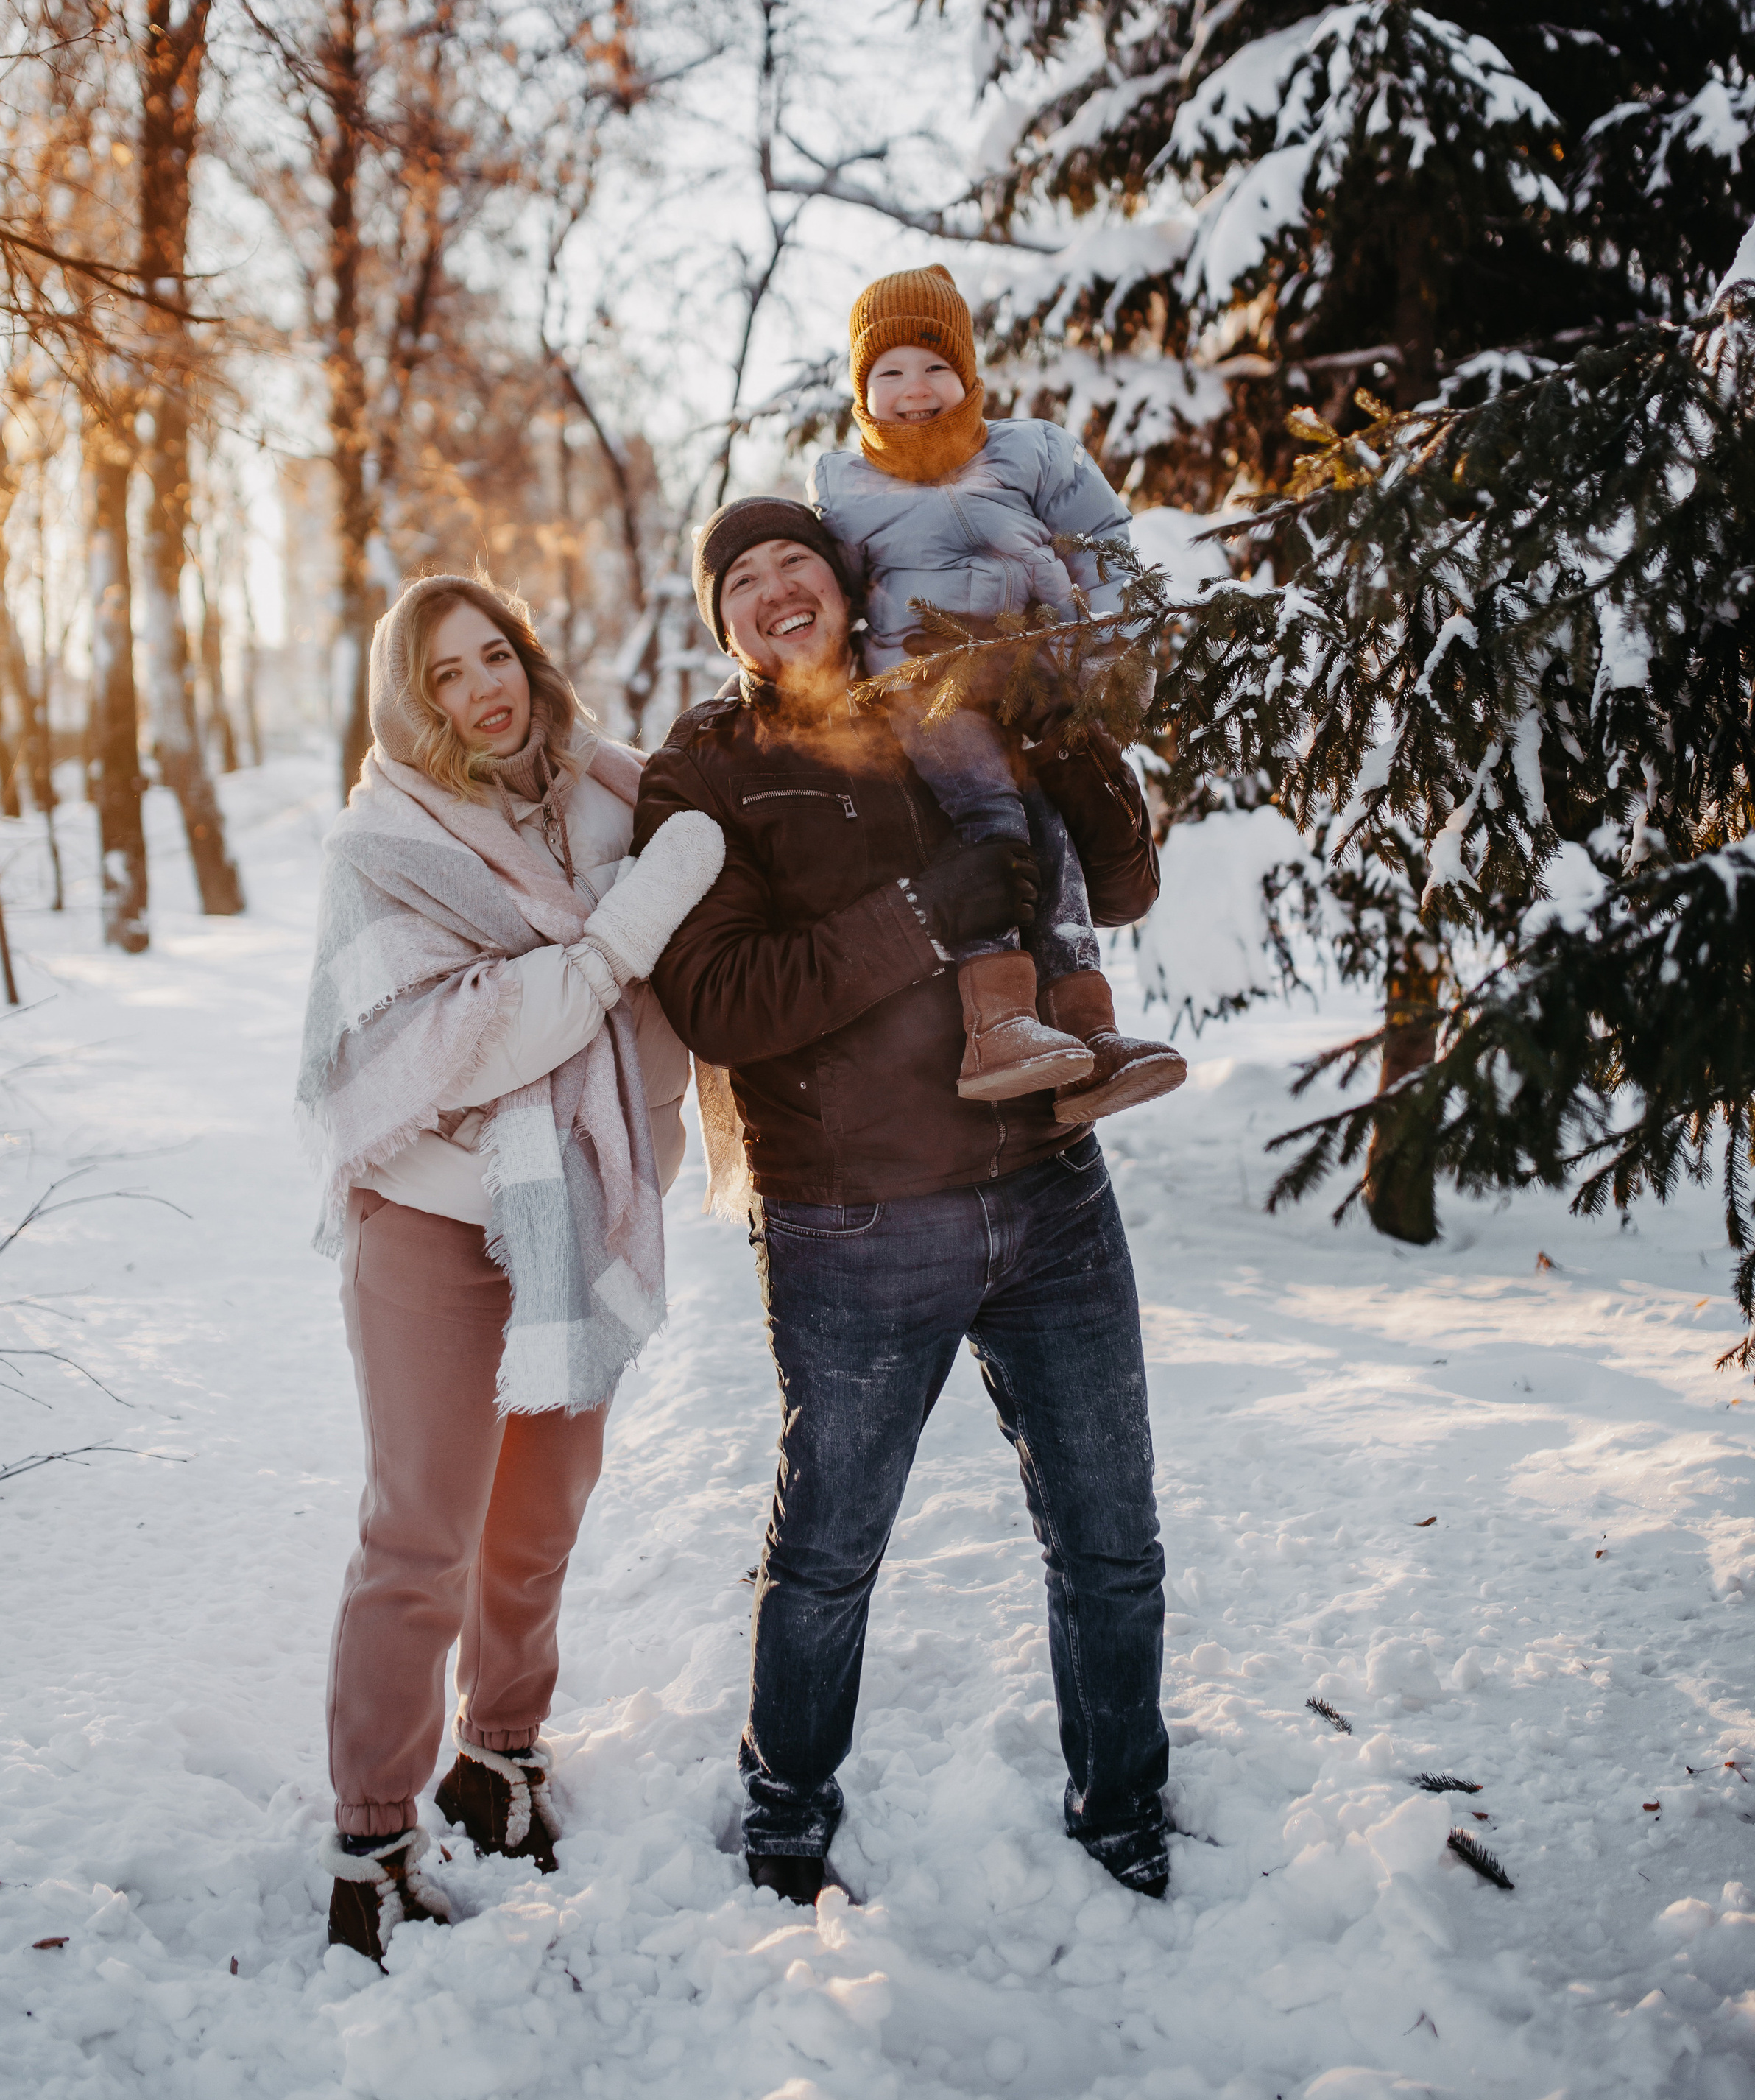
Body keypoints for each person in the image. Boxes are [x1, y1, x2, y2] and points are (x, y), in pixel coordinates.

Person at [633, 501, 1174, 1907]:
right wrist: (925, 916)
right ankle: (786, 1805)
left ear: (843, 578)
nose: (774, 589)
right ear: (722, 620)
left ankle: (1126, 1797)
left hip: (1051, 1188)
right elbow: (719, 998)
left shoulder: (947, 698)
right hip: (857, 1224)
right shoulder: (706, 769)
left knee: (1112, 1539)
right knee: (828, 1551)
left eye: (794, 561)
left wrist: (1062, 727)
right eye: (741, 578)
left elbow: (1121, 882)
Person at [296, 571, 723, 1962]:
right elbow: (465, 1038)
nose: (482, 688)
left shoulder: (610, 798)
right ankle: (371, 1844)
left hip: (576, 1206)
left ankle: (500, 1756)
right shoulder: (385, 847)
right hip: (430, 1216)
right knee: (421, 1532)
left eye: (494, 654)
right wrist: (616, 936)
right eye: (444, 674)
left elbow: (689, 968)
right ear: (408, 706)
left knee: (538, 1516)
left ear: (529, 658)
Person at [812, 261, 1184, 1118]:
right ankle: (999, 1020)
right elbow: (834, 603)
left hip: (1034, 683)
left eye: (933, 365)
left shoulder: (1034, 451)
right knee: (990, 817)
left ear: (968, 372)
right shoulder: (845, 487)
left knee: (1054, 832)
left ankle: (1086, 1033)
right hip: (926, 690)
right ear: (862, 390)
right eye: (888, 371)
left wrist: (1107, 671)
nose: (914, 389)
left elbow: (1106, 549)